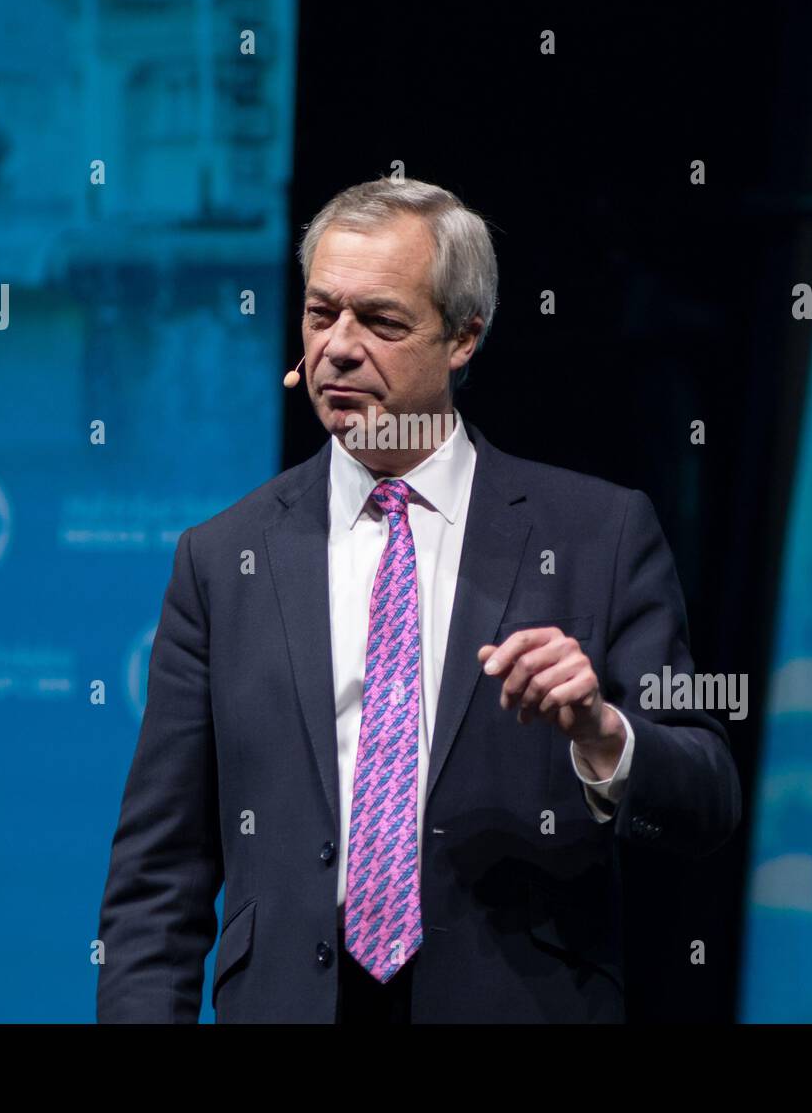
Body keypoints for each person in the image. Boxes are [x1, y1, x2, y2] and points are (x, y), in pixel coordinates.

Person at [95, 177, 741, 1024]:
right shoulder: (224, 559)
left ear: (464, 337)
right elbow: (158, 877)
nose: (339, 347)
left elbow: (707, 799)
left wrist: (602, 734)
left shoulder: (599, 534)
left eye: (381, 321)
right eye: (322, 314)